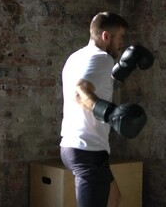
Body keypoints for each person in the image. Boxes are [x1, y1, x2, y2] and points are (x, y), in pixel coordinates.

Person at [60, 11, 148, 207]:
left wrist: (124, 69)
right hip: (88, 150)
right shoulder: (102, 58)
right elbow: (80, 92)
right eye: (120, 37)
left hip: (72, 146)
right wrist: (111, 115)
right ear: (106, 36)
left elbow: (101, 87)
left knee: (113, 197)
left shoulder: (75, 57)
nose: (122, 43)